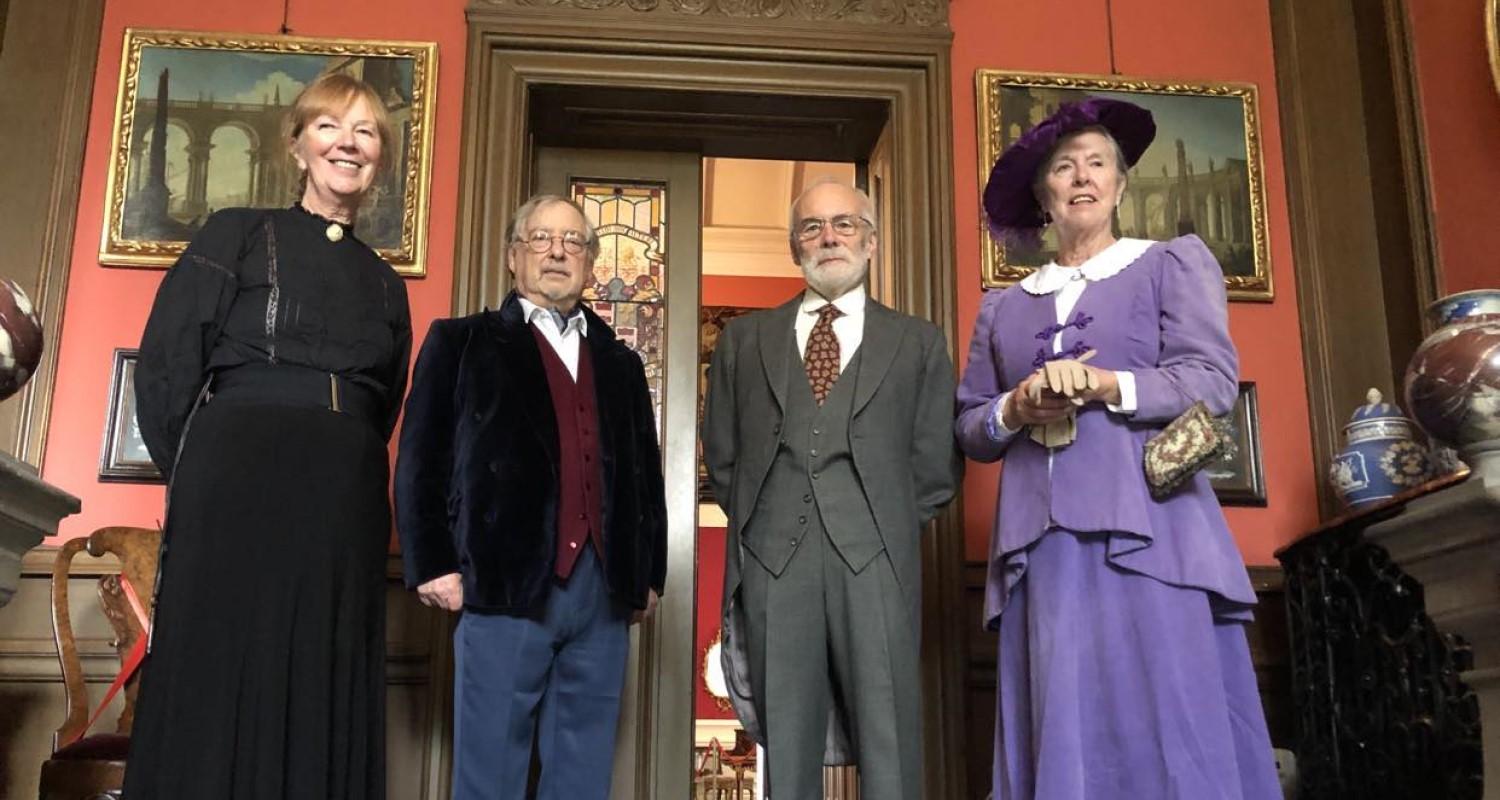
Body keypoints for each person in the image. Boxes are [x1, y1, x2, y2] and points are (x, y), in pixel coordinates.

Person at [956, 97, 1280, 799]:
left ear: (1121, 184)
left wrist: (1107, 385)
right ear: (1043, 193)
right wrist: (1017, 405)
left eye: (1097, 164)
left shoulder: (1169, 264)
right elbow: (970, 426)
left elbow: (1210, 380)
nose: (1082, 177)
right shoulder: (1002, 307)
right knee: (1063, 722)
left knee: (1167, 716)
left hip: (1152, 530)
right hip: (1042, 546)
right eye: (1064, 167)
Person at [126, 72, 412, 799]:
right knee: (221, 667)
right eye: (329, 127)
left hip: (343, 501)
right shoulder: (238, 232)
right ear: (297, 144)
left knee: (323, 667)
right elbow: (166, 362)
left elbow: (385, 401)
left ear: (379, 157)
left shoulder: (387, 284)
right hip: (236, 485)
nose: (348, 144)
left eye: (367, 132)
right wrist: (196, 481)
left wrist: (340, 459)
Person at [394, 194, 667, 800]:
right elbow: (420, 460)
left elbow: (645, 475)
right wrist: (432, 562)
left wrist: (648, 571)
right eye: (541, 238)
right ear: (513, 255)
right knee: (489, 771)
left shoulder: (621, 361)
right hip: (499, 586)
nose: (556, 252)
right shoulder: (461, 342)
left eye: (572, 242)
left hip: (602, 593)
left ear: (590, 262)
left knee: (582, 772)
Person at [702, 179, 960, 800]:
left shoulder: (918, 341)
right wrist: (765, 532)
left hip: (876, 561)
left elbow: (935, 466)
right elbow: (725, 455)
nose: (829, 237)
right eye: (812, 227)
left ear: (871, 241)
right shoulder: (743, 340)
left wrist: (880, 528)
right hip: (773, 561)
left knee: (887, 735)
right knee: (786, 746)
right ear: (795, 248)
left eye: (845, 224)